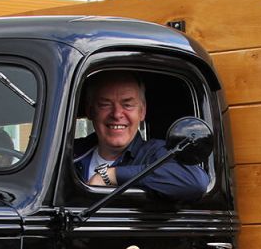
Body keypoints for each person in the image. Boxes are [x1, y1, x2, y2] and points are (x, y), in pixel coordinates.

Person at [72, 72, 209, 202]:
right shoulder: (70, 152)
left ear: (142, 112)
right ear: (90, 111)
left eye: (127, 105)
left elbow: (195, 181)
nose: (117, 114)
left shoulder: (155, 152)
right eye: (105, 104)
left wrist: (110, 176)